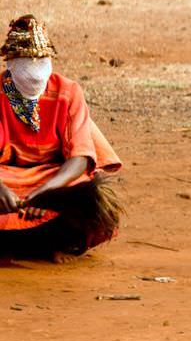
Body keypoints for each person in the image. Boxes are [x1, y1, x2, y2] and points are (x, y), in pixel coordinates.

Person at [0, 15, 123, 262]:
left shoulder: (68, 92)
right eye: (26, 69)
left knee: (92, 200)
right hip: (5, 176)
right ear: (10, 64)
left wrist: (47, 191)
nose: (34, 77)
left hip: (53, 178)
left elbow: (79, 157)